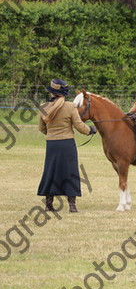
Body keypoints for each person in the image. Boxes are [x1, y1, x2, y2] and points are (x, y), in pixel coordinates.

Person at [38, 79, 96, 213]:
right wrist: (91, 130)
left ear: (51, 92)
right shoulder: (70, 106)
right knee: (70, 173)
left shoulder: (43, 107)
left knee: (50, 171)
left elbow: (41, 128)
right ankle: (72, 206)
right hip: (67, 144)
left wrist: (52, 134)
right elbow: (79, 126)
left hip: (51, 144)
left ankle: (48, 205)